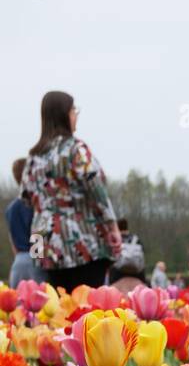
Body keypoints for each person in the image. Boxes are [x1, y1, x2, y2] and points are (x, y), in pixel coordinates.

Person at [20, 90, 121, 290]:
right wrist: (112, 226)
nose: (76, 115)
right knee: (86, 307)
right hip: (80, 241)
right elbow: (97, 189)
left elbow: (25, 197)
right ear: (64, 114)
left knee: (53, 309)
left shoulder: (33, 157)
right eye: (74, 110)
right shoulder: (75, 149)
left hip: (41, 244)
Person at [6, 159, 42, 286]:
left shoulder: (11, 208)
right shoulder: (35, 204)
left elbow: (12, 240)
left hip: (18, 262)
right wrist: (39, 258)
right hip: (36, 259)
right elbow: (37, 232)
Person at [110, 216, 145, 282]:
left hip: (118, 274)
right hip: (136, 273)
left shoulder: (115, 240)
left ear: (117, 227)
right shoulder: (136, 239)